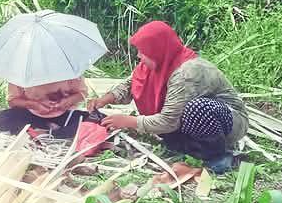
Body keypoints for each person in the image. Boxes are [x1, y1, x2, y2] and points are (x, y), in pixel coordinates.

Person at [89, 20, 247, 173]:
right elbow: (130, 84)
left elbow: (168, 121)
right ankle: (190, 149)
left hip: (228, 120)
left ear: (156, 50)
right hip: (188, 120)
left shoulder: (187, 72)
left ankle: (217, 156)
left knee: (197, 110)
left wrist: (129, 121)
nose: (138, 56)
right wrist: (105, 99)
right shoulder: (156, 63)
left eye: (143, 52)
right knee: (174, 125)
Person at [0, 77, 89, 137]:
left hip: (65, 115)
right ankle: (46, 132)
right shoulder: (21, 74)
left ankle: (52, 134)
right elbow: (13, 101)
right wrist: (33, 105)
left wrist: (66, 102)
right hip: (31, 114)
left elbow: (82, 94)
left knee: (91, 120)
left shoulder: (71, 72)